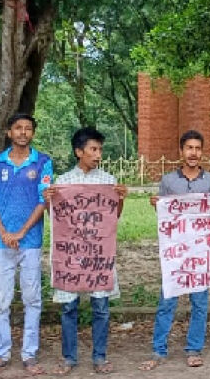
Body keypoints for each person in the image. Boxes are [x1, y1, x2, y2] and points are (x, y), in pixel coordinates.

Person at [44, 127, 128, 375]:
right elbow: (57, 220)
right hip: (72, 255)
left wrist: (120, 198)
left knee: (100, 306)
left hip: (98, 255)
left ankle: (99, 357)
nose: (98, 154)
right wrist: (50, 200)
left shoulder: (108, 181)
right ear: (78, 151)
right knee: (69, 308)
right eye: (93, 149)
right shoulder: (63, 182)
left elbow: (113, 218)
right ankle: (69, 358)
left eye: (100, 149)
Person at [139, 130, 210, 371]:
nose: (193, 153)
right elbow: (165, 217)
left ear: (202, 152)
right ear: (181, 151)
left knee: (199, 303)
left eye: (197, 148)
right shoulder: (168, 181)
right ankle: (158, 348)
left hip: (201, 253)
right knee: (167, 302)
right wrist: (157, 204)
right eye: (189, 148)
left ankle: (194, 348)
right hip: (175, 254)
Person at [0, 113, 53, 376]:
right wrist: (5, 233)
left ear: (32, 133)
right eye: (18, 128)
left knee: (32, 299)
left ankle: (29, 354)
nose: (23, 132)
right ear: (8, 132)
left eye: (28, 128)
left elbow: (43, 200)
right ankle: (2, 353)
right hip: (2, 244)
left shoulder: (43, 162)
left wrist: (21, 232)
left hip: (31, 242)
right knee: (1, 300)